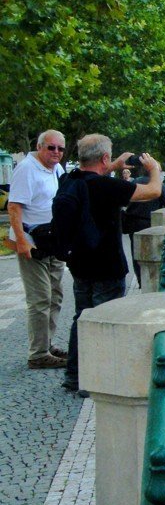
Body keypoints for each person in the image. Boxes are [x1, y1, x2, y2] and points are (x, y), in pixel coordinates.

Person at [62, 135, 163, 397]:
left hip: (79, 263)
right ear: (105, 158)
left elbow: (92, 174)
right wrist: (155, 170)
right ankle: (97, 379)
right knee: (107, 321)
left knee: (82, 317)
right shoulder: (107, 187)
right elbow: (154, 191)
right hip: (106, 265)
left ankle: (74, 376)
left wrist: (113, 164)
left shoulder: (69, 180)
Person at [6, 130, 68, 369]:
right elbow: (14, 206)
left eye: (60, 149)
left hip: (52, 242)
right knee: (40, 297)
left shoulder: (57, 169)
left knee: (56, 295)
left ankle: (46, 344)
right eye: (51, 147)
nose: (56, 152)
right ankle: (38, 354)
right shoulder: (27, 168)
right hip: (33, 243)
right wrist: (21, 241)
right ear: (40, 146)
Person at [121, 157, 165, 288]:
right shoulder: (157, 185)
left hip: (133, 223)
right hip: (149, 223)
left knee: (136, 254)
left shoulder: (135, 182)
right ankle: (150, 281)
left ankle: (140, 281)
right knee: (151, 253)